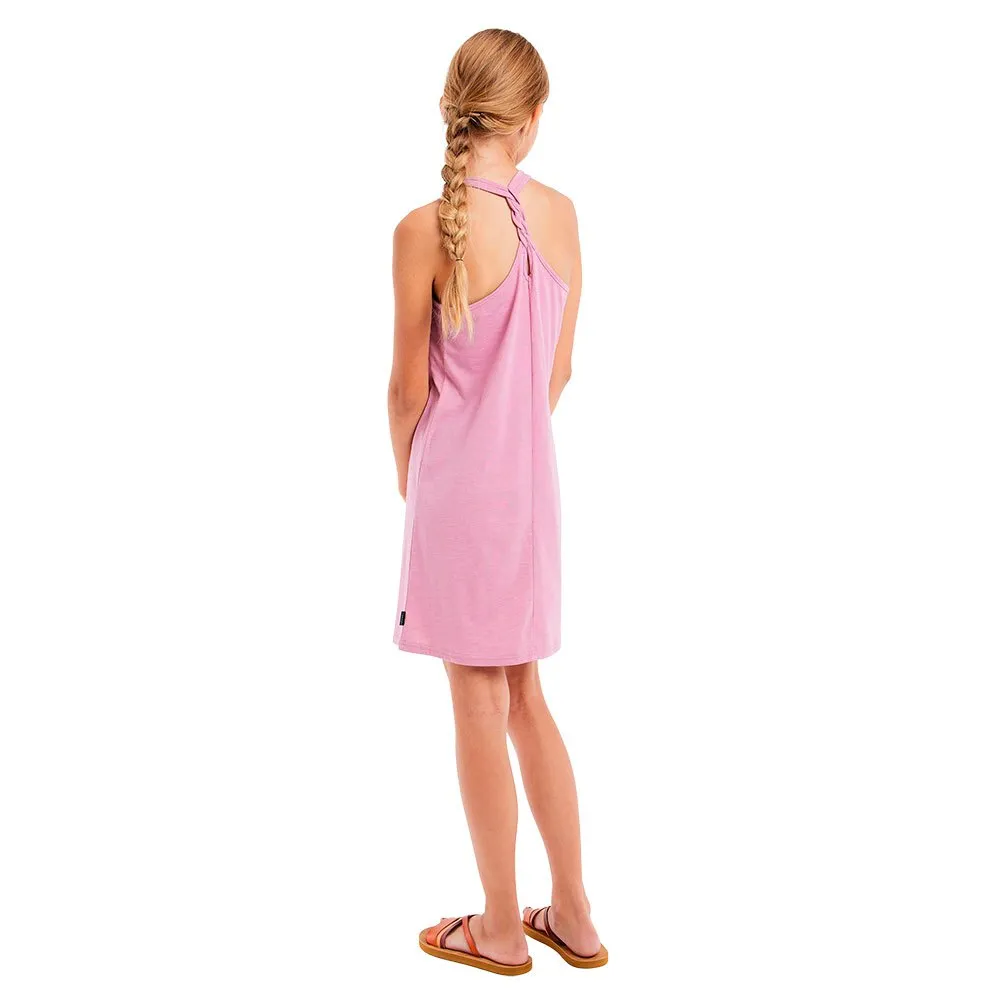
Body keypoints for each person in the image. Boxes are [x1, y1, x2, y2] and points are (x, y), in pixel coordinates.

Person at [387, 29, 606, 976]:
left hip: (457, 497)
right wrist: (511, 441)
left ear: (452, 107)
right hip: (530, 490)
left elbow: (407, 389)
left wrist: (411, 474)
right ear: (532, 117)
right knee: (526, 695)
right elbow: (560, 370)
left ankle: (503, 928)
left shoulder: (422, 230)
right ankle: (576, 916)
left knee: (477, 703)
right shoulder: (561, 216)